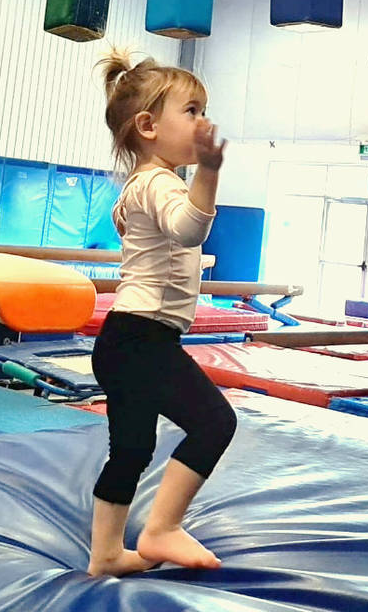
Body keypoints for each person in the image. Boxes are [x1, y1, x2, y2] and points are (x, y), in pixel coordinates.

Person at [87, 50, 236, 578]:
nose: (203, 122)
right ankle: (162, 527)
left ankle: (105, 555)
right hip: (143, 338)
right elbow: (189, 229)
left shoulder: (134, 187)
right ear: (148, 126)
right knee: (216, 422)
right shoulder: (160, 182)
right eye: (192, 111)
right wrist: (211, 172)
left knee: (131, 449)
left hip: (125, 339)